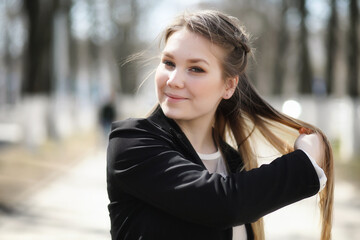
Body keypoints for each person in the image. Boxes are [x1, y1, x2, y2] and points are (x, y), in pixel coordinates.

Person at [106, 10, 334, 240]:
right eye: (168, 63)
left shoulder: (234, 163)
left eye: (196, 68)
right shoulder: (131, 143)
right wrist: (304, 162)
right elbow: (222, 203)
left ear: (228, 86)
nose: (173, 80)